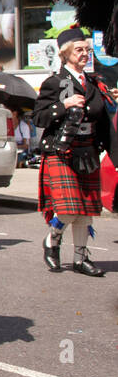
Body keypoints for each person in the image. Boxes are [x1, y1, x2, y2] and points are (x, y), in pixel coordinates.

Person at [34, 25, 113, 276]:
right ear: (65, 53)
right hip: (61, 150)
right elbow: (39, 118)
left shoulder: (94, 84)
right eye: (79, 50)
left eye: (87, 50)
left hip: (88, 150)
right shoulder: (55, 83)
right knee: (68, 209)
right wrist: (63, 104)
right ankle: (52, 241)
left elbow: (104, 124)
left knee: (86, 212)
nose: (84, 54)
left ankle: (81, 258)